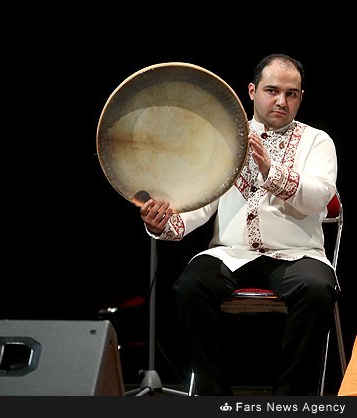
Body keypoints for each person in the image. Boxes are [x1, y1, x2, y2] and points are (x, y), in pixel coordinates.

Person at [139, 54, 337, 395]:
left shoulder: (317, 141)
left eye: (291, 94)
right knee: (190, 287)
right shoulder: (225, 140)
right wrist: (163, 224)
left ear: (301, 98)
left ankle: (289, 401)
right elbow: (201, 202)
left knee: (317, 289)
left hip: (297, 254)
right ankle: (214, 398)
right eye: (272, 90)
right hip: (232, 253)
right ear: (252, 91)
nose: (281, 101)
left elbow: (319, 197)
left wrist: (270, 171)